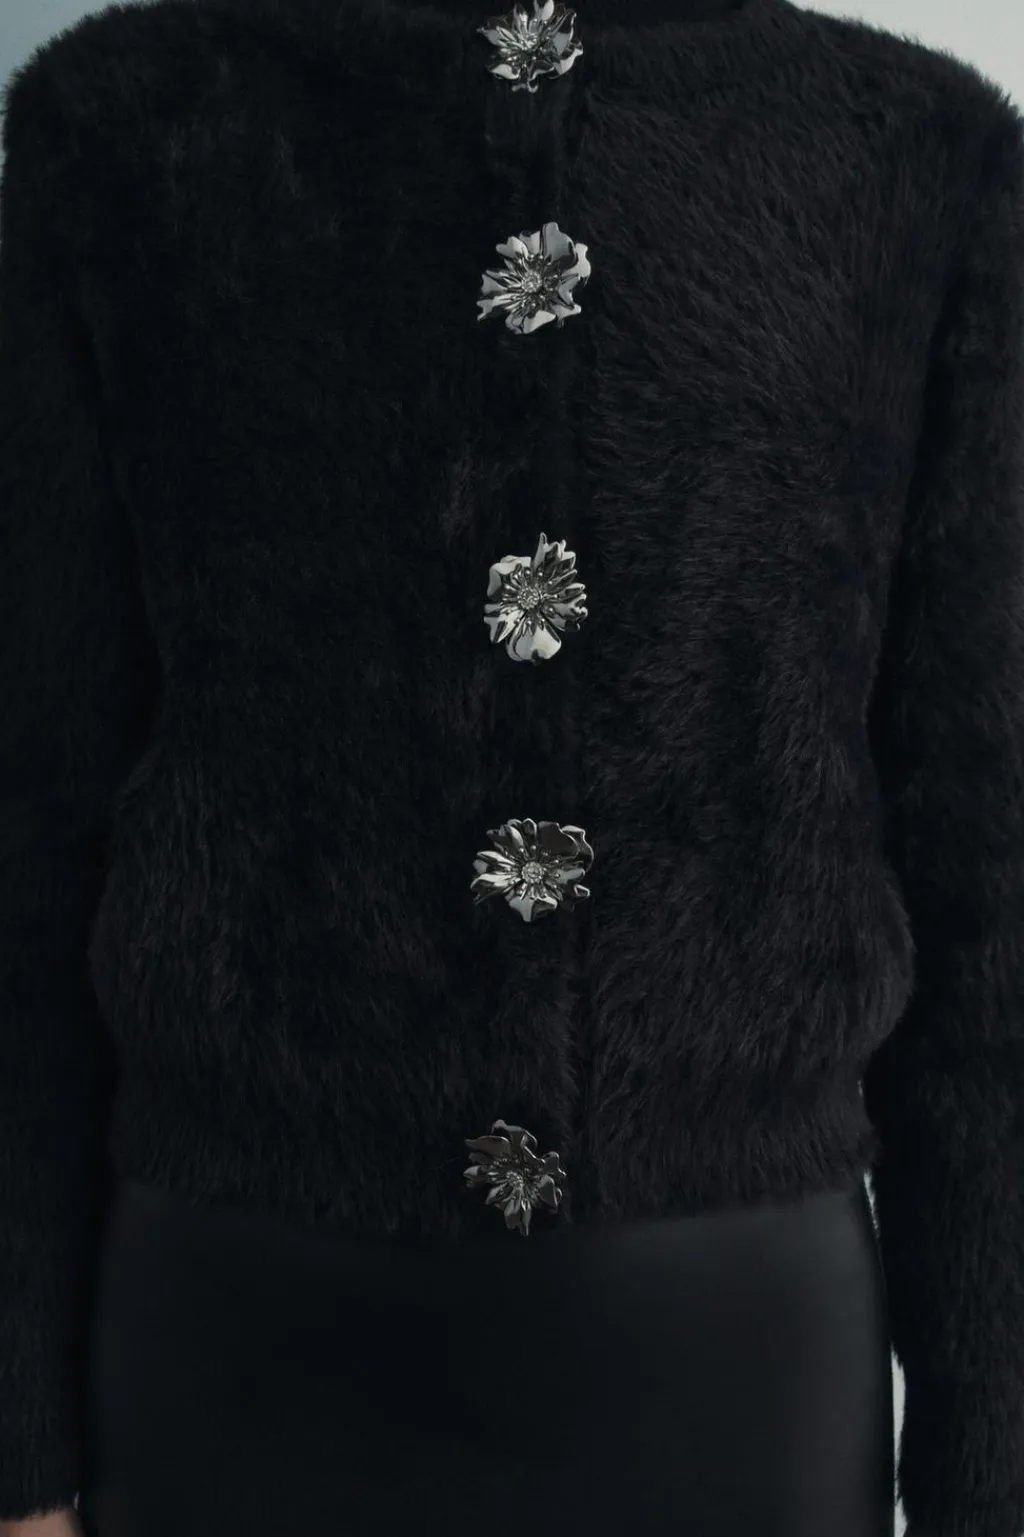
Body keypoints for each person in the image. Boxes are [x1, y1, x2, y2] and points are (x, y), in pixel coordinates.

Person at [1, 0, 1023, 1531]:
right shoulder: (127, 126)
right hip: (231, 1329)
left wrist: (988, 1474)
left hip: (736, 1367)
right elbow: (32, 800)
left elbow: (985, 860)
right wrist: (16, 1442)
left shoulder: (913, 157)